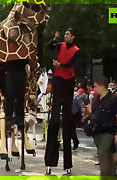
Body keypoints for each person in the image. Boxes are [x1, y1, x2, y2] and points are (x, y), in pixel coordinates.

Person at [45, 28, 81, 172]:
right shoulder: (60, 45)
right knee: (54, 120)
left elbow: (73, 64)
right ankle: (50, 160)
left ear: (73, 36)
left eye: (67, 34)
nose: (65, 36)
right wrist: (54, 39)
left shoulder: (77, 50)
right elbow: (48, 48)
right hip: (58, 80)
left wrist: (60, 65)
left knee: (66, 120)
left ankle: (68, 164)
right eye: (64, 34)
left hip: (68, 82)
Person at [89, 77, 117, 179]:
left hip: (109, 132)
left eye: (95, 86)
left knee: (102, 154)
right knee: (108, 158)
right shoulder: (96, 100)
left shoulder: (114, 99)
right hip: (97, 133)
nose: (94, 89)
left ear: (101, 86)